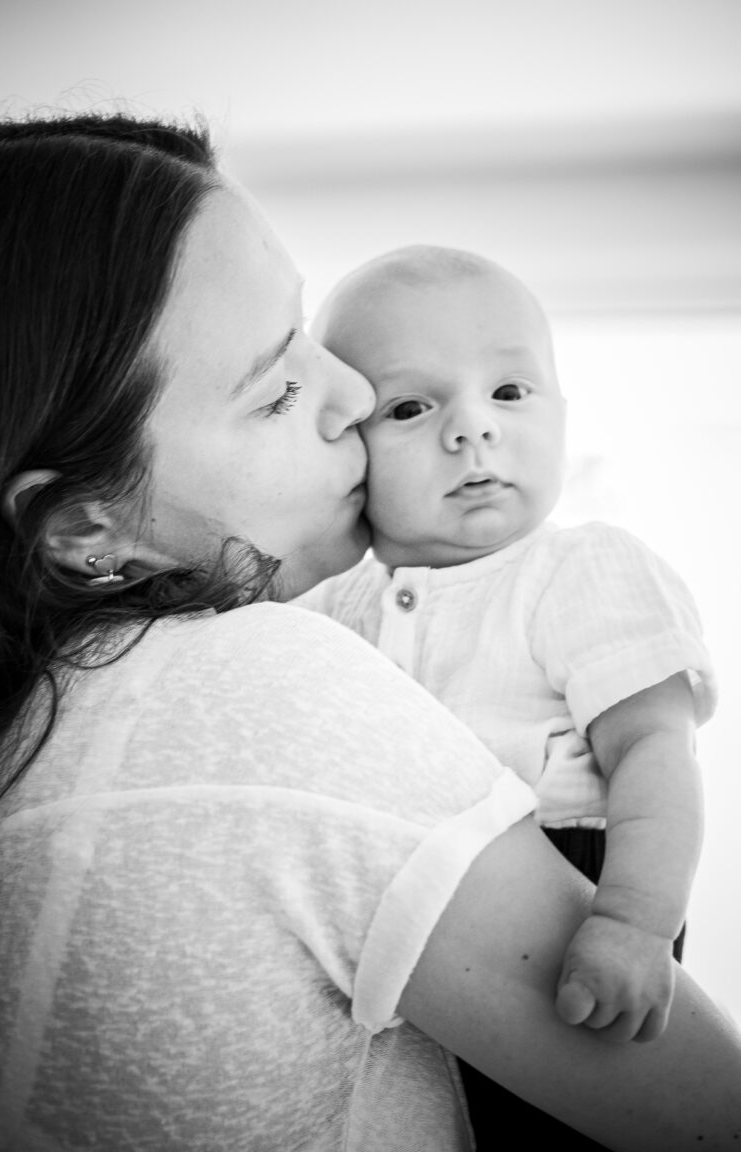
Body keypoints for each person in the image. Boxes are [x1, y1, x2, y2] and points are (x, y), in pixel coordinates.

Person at [0, 115, 739, 1152]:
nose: (354, 397)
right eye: (278, 387)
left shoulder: (26, 747)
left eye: (306, 336)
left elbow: (656, 751)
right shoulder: (263, 672)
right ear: (83, 526)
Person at [296, 245, 719, 1141]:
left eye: (510, 394)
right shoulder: (330, 606)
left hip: (576, 890)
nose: (471, 431)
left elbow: (654, 750)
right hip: (405, 913)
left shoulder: (579, 566)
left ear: (562, 413)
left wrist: (636, 924)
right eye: (412, 407)